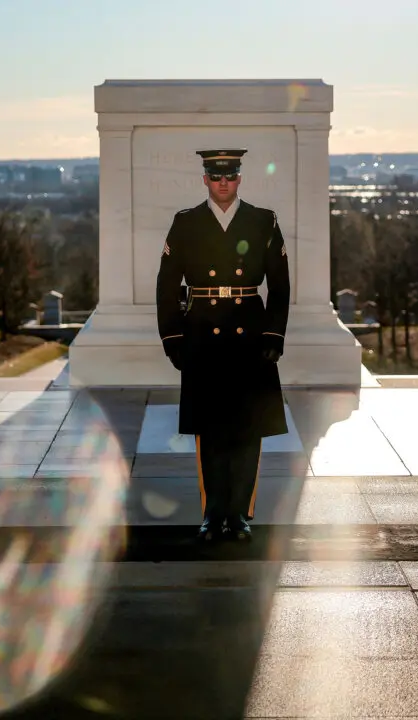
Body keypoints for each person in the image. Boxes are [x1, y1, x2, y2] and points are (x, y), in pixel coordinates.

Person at [156, 148, 291, 542]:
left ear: (239, 179)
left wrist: (273, 334)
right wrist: (173, 336)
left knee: (248, 431)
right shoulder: (186, 223)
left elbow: (280, 286)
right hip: (203, 334)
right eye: (216, 177)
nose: (223, 183)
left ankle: (240, 514)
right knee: (211, 431)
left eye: (230, 176)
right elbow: (166, 285)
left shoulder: (263, 221)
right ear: (205, 180)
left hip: (249, 335)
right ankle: (213, 514)